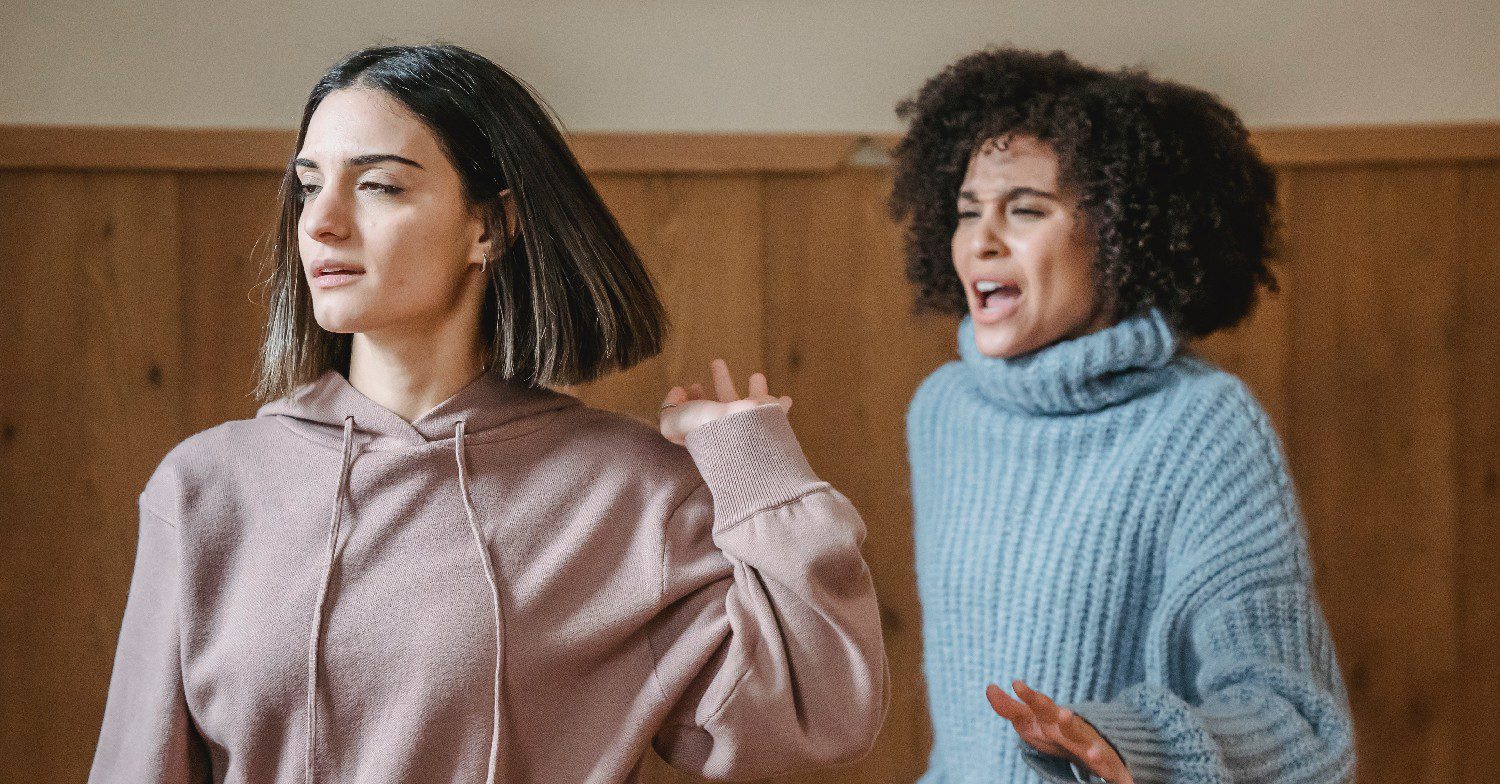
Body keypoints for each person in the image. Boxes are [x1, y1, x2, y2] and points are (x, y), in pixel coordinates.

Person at [89, 43, 886, 784]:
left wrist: (755, 468)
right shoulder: (206, 488)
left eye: (378, 185)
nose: (321, 221)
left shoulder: (629, 491)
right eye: (308, 184)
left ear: (491, 225)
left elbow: (826, 712)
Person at [891, 47, 1354, 783]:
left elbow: (1300, 723)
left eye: (1027, 210)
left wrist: (1131, 742)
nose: (980, 242)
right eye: (967, 211)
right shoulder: (942, 412)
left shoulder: (1204, 427)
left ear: (1122, 235)